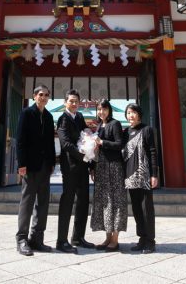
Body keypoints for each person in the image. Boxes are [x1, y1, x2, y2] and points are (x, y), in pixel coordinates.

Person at [15, 85, 56, 256]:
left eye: (46, 95)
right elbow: (21, 139)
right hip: (30, 165)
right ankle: (22, 239)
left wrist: (53, 162)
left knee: (43, 203)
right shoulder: (27, 113)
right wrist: (22, 164)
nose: (43, 97)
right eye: (41, 95)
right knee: (27, 201)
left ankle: (37, 238)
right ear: (34, 96)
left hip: (45, 165)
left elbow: (50, 142)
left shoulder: (48, 116)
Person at [56, 89, 95, 253]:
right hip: (71, 165)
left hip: (83, 166)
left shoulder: (79, 117)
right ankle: (61, 240)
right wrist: (82, 155)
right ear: (66, 102)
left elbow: (85, 133)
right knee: (68, 201)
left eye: (76, 101)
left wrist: (90, 139)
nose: (74, 104)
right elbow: (65, 143)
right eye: (71, 101)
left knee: (83, 201)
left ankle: (78, 237)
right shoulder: (62, 118)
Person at [90, 99, 127, 252]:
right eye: (99, 109)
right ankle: (107, 237)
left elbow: (119, 145)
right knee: (105, 202)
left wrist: (102, 142)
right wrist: (92, 167)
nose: (102, 112)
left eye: (104, 109)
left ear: (109, 110)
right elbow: (95, 149)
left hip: (114, 167)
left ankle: (115, 240)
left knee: (116, 201)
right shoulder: (99, 125)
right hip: (101, 167)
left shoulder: (115, 124)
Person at [123, 103, 159, 254]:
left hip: (144, 176)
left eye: (133, 112)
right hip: (130, 176)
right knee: (137, 209)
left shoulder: (147, 129)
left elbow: (152, 152)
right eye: (129, 113)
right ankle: (142, 238)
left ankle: (150, 241)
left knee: (147, 209)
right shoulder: (125, 132)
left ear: (139, 114)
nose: (131, 115)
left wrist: (154, 174)